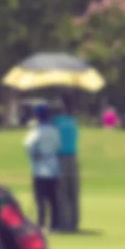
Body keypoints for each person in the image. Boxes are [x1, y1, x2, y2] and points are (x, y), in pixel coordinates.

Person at [23, 104, 61, 231]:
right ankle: (55, 224)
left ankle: (41, 223)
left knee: (40, 198)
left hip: (40, 169)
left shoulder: (37, 130)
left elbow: (28, 145)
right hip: (54, 167)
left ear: (37, 116)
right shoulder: (54, 130)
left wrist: (34, 154)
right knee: (53, 198)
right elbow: (58, 146)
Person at [52, 96, 81, 232]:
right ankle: (74, 222)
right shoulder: (72, 121)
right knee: (73, 191)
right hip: (73, 157)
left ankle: (64, 223)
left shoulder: (55, 122)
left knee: (61, 192)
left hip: (60, 158)